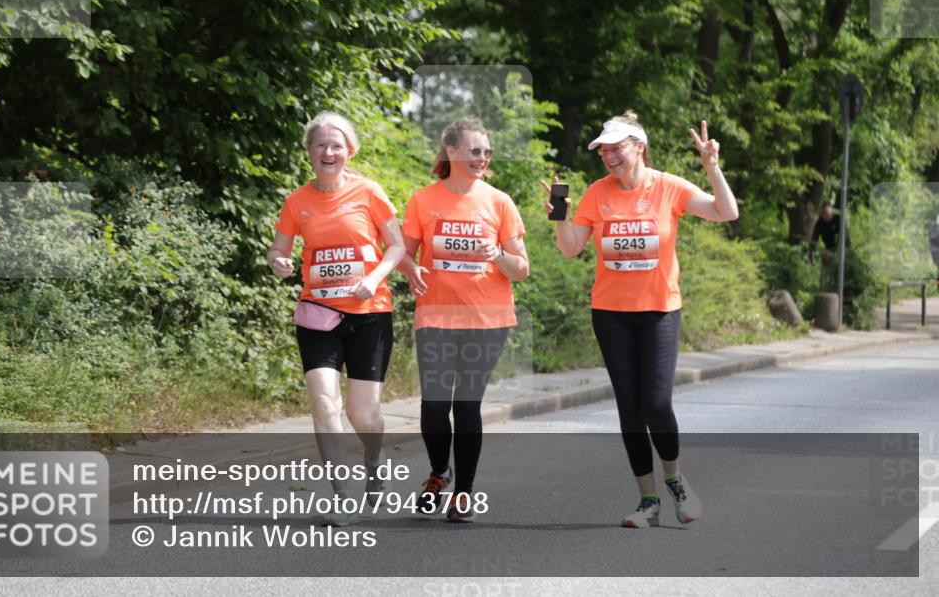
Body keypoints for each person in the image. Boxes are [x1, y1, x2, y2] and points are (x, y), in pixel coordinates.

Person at [542, 111, 738, 528]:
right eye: (603, 150)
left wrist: (711, 166)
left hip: (659, 311)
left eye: (617, 148)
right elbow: (571, 248)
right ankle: (648, 500)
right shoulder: (597, 193)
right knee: (629, 410)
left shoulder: (667, 186)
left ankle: (675, 479)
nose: (609, 156)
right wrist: (560, 217)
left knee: (656, 404)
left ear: (639, 147)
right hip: (610, 314)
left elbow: (726, 212)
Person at [268, 111, 405, 526]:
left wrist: (374, 278)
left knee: (363, 415)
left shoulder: (369, 192)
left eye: (336, 145)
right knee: (324, 403)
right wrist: (279, 262)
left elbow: (396, 246)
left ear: (350, 151)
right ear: (310, 151)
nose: (329, 152)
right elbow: (278, 250)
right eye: (321, 145)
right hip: (318, 315)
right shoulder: (297, 202)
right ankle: (343, 497)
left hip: (369, 314)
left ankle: (374, 458)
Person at [400, 116, 529, 523]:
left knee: (467, 404)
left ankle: (464, 493)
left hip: (487, 320)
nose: (482, 158)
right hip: (435, 316)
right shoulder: (423, 200)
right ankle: (440, 472)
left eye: (486, 152)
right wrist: (410, 269)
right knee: (434, 406)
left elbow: (522, 268)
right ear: (451, 151)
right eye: (474, 150)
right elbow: (402, 254)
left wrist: (497, 255)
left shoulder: (499, 202)